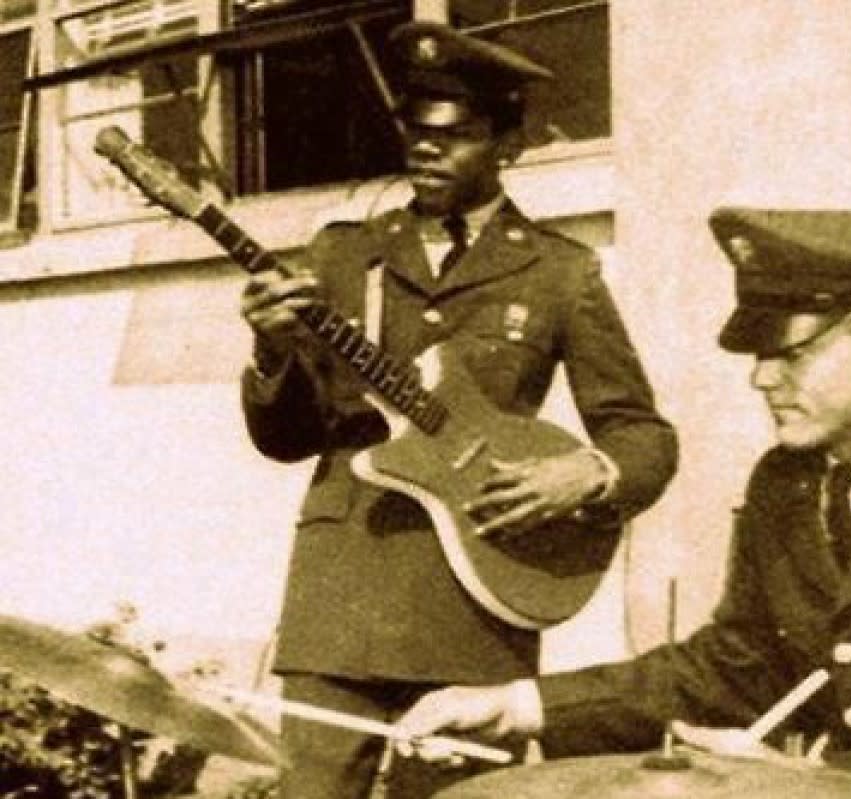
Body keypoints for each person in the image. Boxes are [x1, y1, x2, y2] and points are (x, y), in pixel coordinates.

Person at [393, 207, 851, 799]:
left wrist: (821, 783)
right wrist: (519, 705)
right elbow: (732, 666)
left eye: (792, 354)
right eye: (758, 355)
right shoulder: (787, 480)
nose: (762, 380)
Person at [238, 21, 678, 799]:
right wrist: (271, 350)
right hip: (342, 596)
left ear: (509, 144)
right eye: (416, 131)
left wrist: (587, 471)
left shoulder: (558, 272)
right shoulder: (346, 254)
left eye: (455, 135)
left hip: (479, 600)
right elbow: (285, 439)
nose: (426, 150)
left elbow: (641, 434)